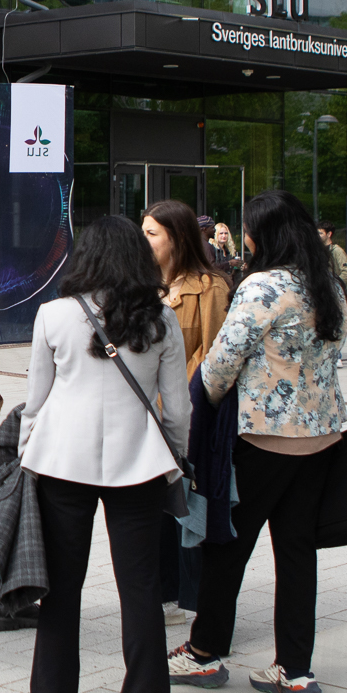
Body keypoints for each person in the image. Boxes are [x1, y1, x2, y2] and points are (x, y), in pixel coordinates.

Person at [169, 190, 347, 693]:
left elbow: (220, 366)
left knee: (228, 545)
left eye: (248, 229)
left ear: (263, 234)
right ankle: (294, 670)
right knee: (297, 553)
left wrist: (194, 407)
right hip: (320, 439)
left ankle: (204, 652)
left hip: (262, 442)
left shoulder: (262, 287)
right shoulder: (329, 286)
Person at [19, 215, 188, 693]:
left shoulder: (53, 315)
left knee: (62, 586)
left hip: (61, 462)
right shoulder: (161, 318)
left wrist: (26, 451)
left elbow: (36, 398)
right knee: (139, 587)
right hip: (137, 463)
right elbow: (177, 409)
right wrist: (176, 456)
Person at [142, 200, 232, 627]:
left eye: (151, 234)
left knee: (189, 504)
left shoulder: (210, 286)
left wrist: (175, 394)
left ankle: (197, 601)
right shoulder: (143, 285)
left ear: (175, 239)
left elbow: (214, 352)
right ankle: (163, 593)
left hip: (190, 412)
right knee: (156, 508)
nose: (144, 241)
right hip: (148, 417)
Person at [317, 219, 347, 298]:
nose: (318, 236)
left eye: (320, 233)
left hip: (340, 294)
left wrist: (334, 284)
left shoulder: (337, 251)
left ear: (329, 234)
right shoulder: (318, 251)